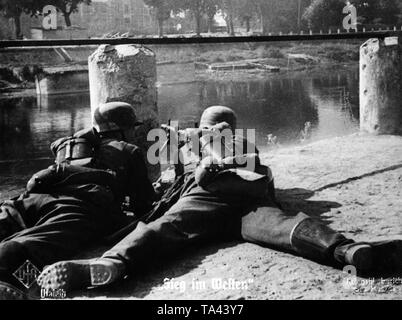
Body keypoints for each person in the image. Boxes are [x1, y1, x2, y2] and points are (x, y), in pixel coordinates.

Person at [38, 106, 402, 295]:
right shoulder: (245, 144)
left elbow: (177, 157)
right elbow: (263, 175)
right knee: (283, 227)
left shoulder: (199, 142)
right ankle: (345, 251)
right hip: (249, 202)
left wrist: (184, 147)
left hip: (207, 193)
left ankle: (112, 264)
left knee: (164, 229)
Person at [0, 102, 155, 300]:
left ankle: (27, 284)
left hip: (36, 199)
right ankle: (21, 285)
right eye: (132, 128)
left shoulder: (74, 145)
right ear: (123, 129)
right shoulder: (129, 150)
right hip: (78, 207)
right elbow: (143, 205)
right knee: (24, 249)